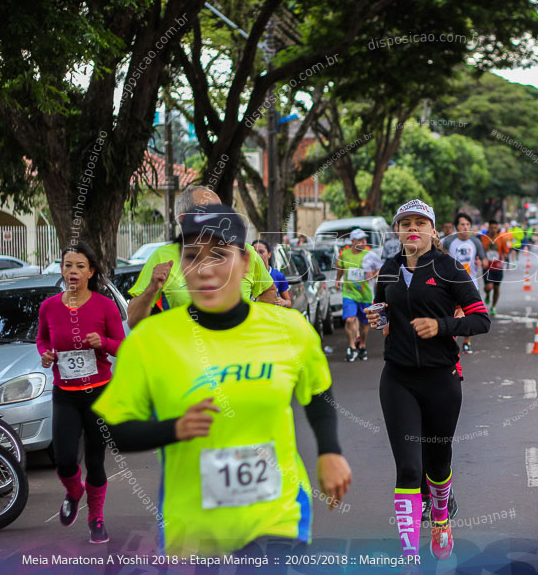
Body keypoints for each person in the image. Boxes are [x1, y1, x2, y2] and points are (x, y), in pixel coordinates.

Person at [92, 204, 352, 557]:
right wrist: (174, 429)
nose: (205, 268)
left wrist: (330, 452)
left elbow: (317, 393)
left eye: (219, 254)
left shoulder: (289, 330)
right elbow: (113, 428)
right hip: (195, 519)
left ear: (246, 263)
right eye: (192, 255)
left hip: (276, 511)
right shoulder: (150, 340)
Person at [364, 199, 490, 561]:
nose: (413, 228)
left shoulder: (449, 268)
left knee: (437, 464)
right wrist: (379, 317)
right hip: (398, 379)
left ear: (434, 231)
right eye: (406, 223)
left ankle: (439, 517)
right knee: (408, 467)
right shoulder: (388, 269)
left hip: (441, 380)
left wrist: (442, 326)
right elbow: (382, 309)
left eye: (421, 222)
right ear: (398, 231)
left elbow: (481, 320)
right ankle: (409, 556)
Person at [37, 242, 125, 544]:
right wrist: (46, 355)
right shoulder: (48, 307)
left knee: (96, 460)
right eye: (67, 265)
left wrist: (103, 342)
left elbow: (122, 345)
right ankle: (75, 493)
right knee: (63, 459)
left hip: (98, 393)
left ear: (90, 272)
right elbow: (42, 340)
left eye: (79, 266)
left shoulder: (105, 306)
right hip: (65, 393)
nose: (72, 271)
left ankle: (95, 518)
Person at [127, 185, 276, 328]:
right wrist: (151, 289)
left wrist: (252, 324)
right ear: (184, 220)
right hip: (186, 352)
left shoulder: (243, 252)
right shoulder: (162, 256)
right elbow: (134, 322)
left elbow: (268, 289)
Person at [443, 213, 488, 354]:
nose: (465, 227)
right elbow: (441, 259)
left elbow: (485, 262)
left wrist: (481, 263)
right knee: (451, 312)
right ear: (457, 226)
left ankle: (467, 342)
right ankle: (451, 341)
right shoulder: (449, 241)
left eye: (468, 224)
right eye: (462, 224)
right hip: (451, 285)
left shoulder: (476, 242)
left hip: (471, 284)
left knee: (470, 315)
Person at [336, 229, 372, 361]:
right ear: (353, 241)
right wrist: (337, 279)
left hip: (365, 293)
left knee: (363, 323)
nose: (364, 242)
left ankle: (362, 345)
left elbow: (379, 269)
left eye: (365, 240)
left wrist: (372, 274)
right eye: (361, 240)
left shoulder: (369, 254)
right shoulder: (344, 254)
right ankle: (352, 347)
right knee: (350, 319)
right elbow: (340, 267)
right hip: (349, 292)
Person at [482, 220, 512, 316]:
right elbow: (480, 251)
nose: (493, 230)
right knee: (489, 287)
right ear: (488, 228)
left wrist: (507, 259)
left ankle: (493, 306)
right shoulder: (483, 238)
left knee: (496, 288)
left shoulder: (501, 238)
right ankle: (487, 293)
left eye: (495, 228)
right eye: (491, 228)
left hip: (498, 266)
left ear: (497, 228)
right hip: (487, 266)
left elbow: (506, 251)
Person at [252, 239, 291, 308]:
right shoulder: (245, 275)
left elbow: (289, 302)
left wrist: (284, 302)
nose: (257, 255)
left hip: (271, 316)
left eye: (261, 252)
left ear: (269, 254)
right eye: (254, 252)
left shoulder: (278, 276)